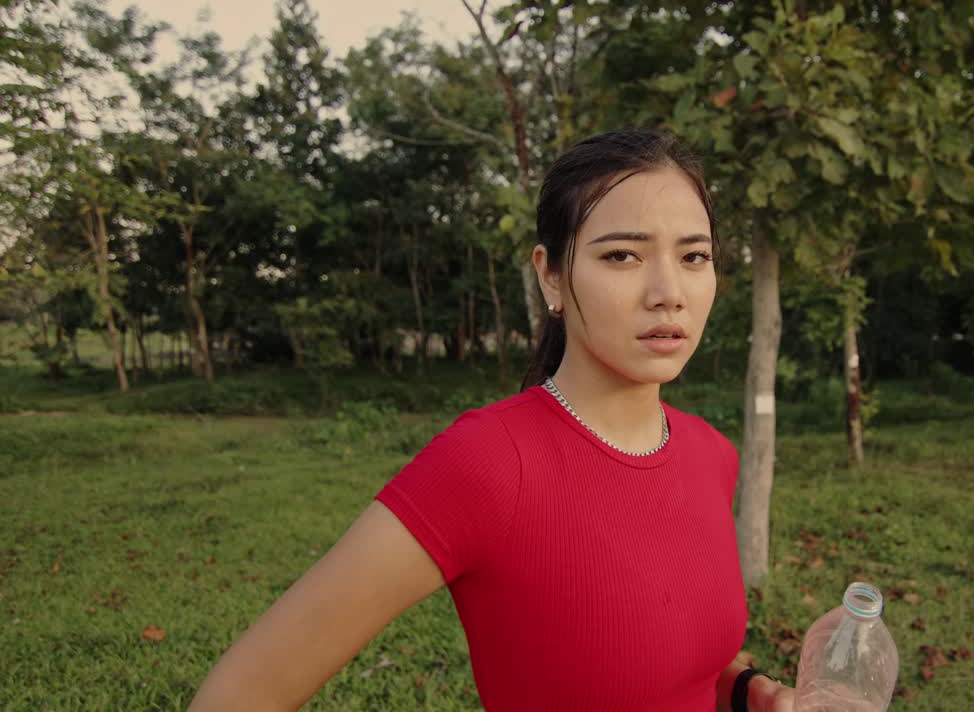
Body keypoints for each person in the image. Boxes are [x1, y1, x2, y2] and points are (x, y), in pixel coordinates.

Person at [187, 129, 796, 712]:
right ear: (551, 275)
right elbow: (241, 694)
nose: (669, 291)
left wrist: (744, 689)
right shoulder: (491, 463)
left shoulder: (710, 452)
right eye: (622, 255)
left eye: (694, 255)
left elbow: (666, 661)